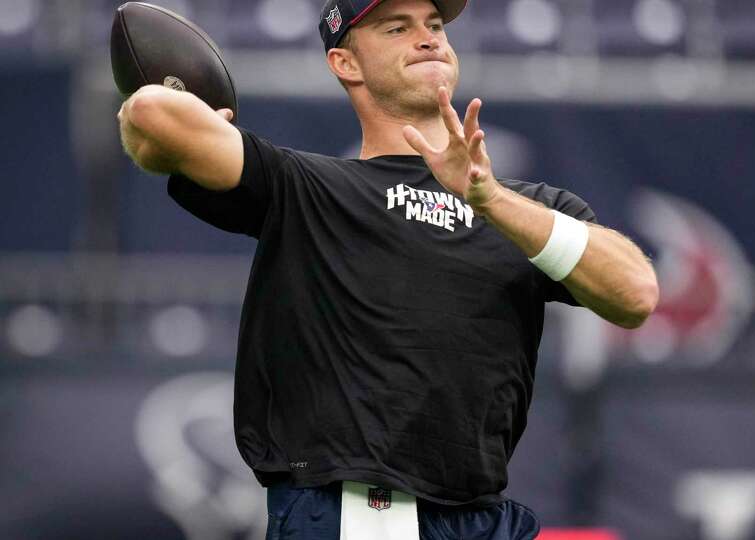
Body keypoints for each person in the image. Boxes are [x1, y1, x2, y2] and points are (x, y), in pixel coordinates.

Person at [116, 0, 659, 538]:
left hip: (485, 513)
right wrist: (200, 114)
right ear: (345, 63)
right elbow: (150, 114)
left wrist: (490, 198)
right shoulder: (305, 187)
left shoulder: (526, 208)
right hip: (366, 510)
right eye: (397, 28)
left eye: (435, 25)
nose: (427, 38)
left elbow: (634, 293)